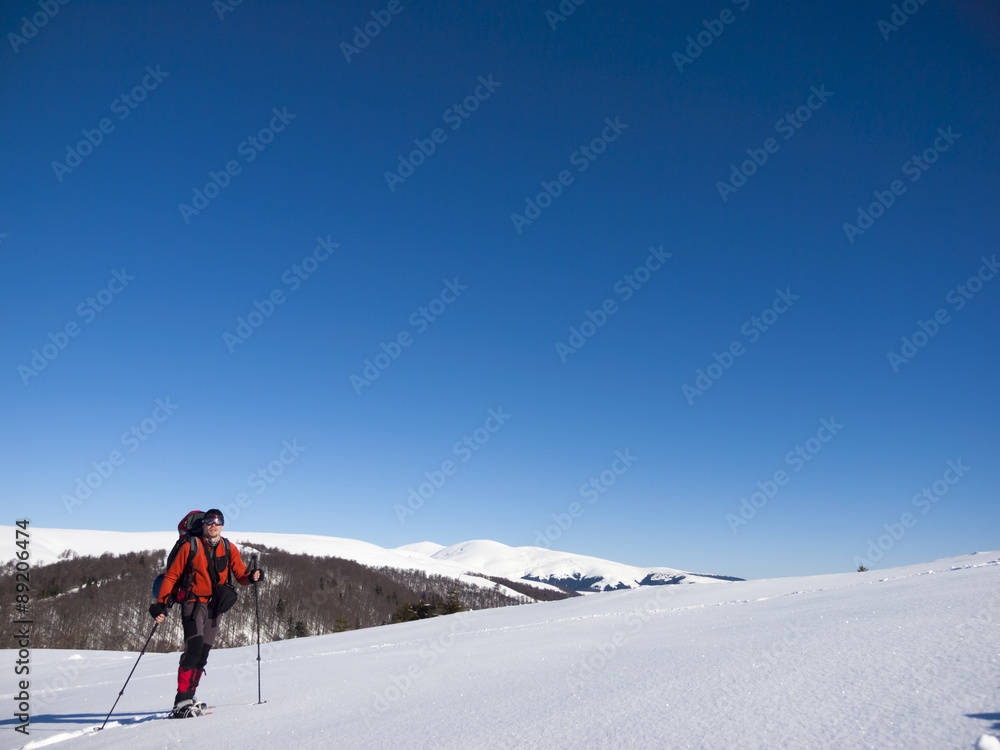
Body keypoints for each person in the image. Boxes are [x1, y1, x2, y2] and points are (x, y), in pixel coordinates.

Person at [149, 509, 262, 717]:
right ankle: (181, 701)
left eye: (218, 522)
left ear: (222, 525)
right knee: (193, 649)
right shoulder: (190, 546)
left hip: (215, 607)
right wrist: (160, 604)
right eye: (210, 521)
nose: (214, 525)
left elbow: (241, 576)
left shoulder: (229, 548)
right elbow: (172, 577)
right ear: (203, 525)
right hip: (193, 604)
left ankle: (190, 696)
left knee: (203, 653)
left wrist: (253, 577)